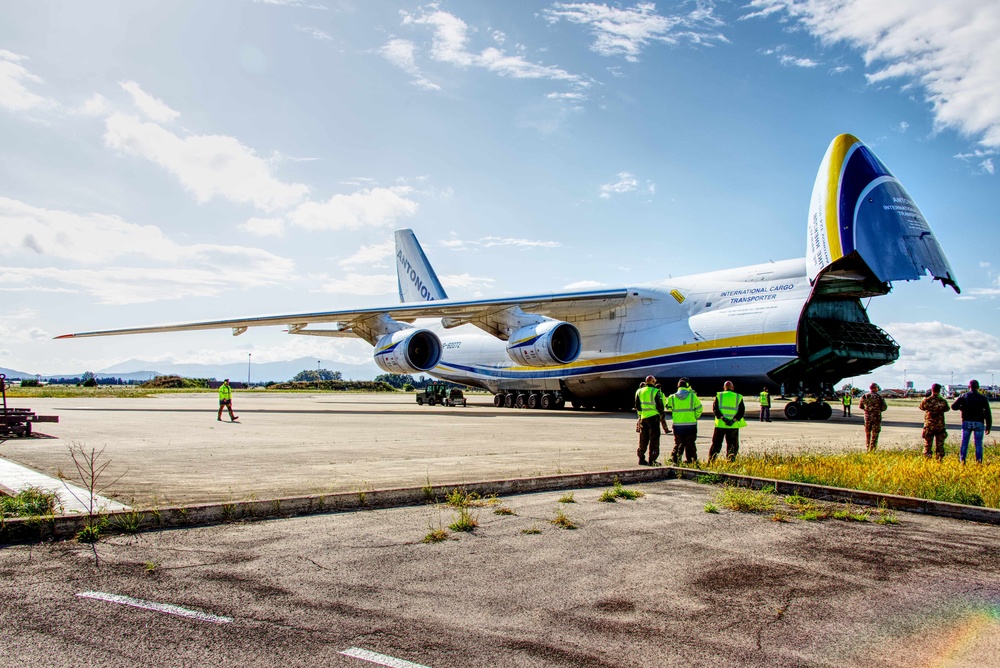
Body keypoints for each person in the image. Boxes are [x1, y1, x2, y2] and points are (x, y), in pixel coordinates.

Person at [951, 379, 992, 464]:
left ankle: (962, 461)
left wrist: (962, 407)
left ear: (969, 387)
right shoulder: (983, 398)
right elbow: (988, 412)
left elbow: (954, 407)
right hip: (979, 422)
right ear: (978, 387)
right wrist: (988, 426)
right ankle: (979, 461)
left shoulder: (964, 396)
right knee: (978, 444)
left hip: (966, 421)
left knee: (964, 443)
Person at [667, 378, 703, 464]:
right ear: (687, 386)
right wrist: (695, 417)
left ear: (678, 386)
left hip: (678, 425)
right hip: (691, 424)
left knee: (678, 443)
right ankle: (691, 460)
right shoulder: (692, 396)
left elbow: (668, 407)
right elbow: (699, 408)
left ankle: (675, 459)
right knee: (690, 443)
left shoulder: (672, 397)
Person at [709, 381, 746, 462]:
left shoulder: (719, 395)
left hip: (720, 425)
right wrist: (733, 420)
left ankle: (711, 461)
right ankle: (730, 462)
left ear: (724, 387)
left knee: (716, 445)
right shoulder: (738, 397)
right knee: (732, 446)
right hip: (733, 426)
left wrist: (723, 418)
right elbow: (741, 411)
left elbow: (715, 409)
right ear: (733, 387)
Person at [634, 375, 665, 466]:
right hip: (653, 418)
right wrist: (661, 415)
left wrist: (640, 415)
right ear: (653, 382)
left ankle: (641, 458)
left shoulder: (639, 391)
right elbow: (660, 406)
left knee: (643, 439)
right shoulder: (656, 391)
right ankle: (652, 459)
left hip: (643, 417)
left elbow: (637, 406)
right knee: (654, 439)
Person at [918, 383, 950, 460]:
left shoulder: (926, 400)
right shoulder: (942, 401)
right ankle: (939, 459)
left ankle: (927, 459)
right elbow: (947, 409)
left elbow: (921, 407)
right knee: (940, 445)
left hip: (929, 425)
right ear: (939, 391)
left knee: (927, 445)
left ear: (932, 390)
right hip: (940, 426)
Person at [859, 383, 887, 451]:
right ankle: (873, 449)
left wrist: (868, 411)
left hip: (867, 417)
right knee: (875, 433)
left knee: (868, 433)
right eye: (877, 387)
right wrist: (877, 410)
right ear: (875, 388)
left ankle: (867, 447)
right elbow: (884, 407)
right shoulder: (879, 397)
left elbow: (860, 406)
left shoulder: (865, 396)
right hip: (876, 417)